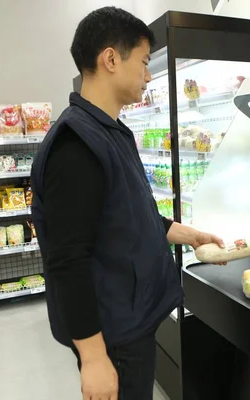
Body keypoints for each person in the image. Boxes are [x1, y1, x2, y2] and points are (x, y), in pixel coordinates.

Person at [30, 6, 225, 400]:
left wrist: (187, 234)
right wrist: (94, 356)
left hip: (130, 317)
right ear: (111, 59)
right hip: (112, 332)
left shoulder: (113, 131)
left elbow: (129, 212)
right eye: (143, 61)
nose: (149, 74)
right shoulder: (76, 146)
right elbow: (67, 258)